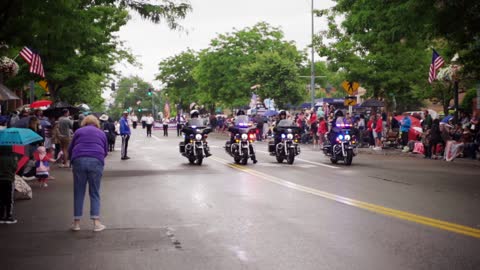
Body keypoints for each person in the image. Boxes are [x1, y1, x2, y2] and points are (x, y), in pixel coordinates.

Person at [68, 115, 108, 232]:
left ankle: (76, 224)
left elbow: (71, 148)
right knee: (94, 192)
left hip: (79, 160)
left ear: (84, 122)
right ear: (96, 123)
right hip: (96, 160)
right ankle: (96, 223)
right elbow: (105, 151)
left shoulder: (79, 131)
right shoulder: (101, 133)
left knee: (78, 192)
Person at [0, 146, 17, 224]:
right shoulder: (12, 158)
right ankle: (8, 216)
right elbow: (15, 168)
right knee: (9, 199)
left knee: (1, 198)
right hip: (9, 180)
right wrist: (15, 160)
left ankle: (1, 216)